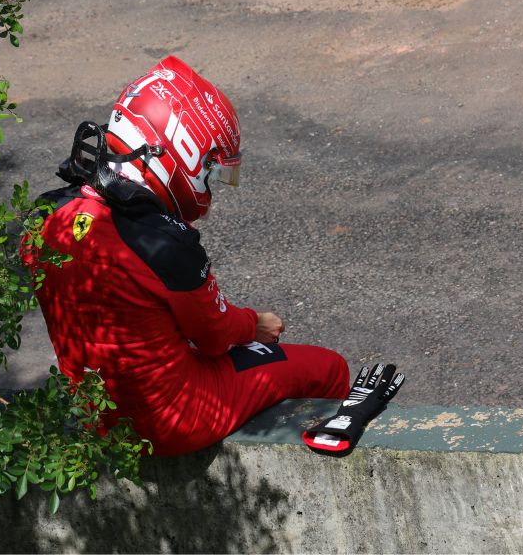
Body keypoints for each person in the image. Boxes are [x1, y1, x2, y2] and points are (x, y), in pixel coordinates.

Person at [21, 56, 352, 456]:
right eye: (210, 171)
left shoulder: (45, 214)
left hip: (97, 413)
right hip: (174, 420)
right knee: (328, 367)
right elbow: (214, 337)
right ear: (179, 153)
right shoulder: (164, 243)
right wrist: (255, 323)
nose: (209, 185)